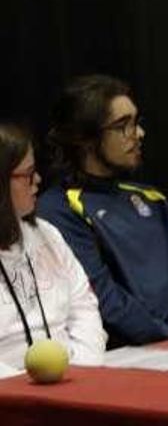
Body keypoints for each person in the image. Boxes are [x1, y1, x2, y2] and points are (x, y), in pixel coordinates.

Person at [37, 75, 168, 347]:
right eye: (123, 126)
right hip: (144, 353)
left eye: (136, 122)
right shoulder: (59, 209)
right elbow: (106, 302)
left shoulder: (151, 197)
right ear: (86, 138)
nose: (139, 134)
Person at [0, 123, 105, 369]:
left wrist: (85, 368)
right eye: (27, 173)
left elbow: (84, 307)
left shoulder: (48, 235)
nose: (37, 180)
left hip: (75, 379)